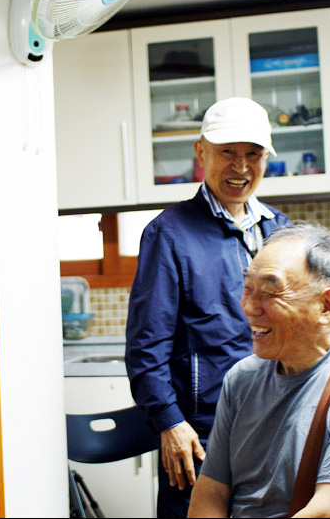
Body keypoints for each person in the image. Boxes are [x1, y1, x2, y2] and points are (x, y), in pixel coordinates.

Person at [125, 97, 291, 517]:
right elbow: (146, 346)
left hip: (276, 419)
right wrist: (169, 422)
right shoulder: (169, 233)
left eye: (253, 154)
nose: (241, 167)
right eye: (227, 152)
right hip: (200, 431)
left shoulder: (281, 230)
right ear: (201, 153)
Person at [187, 223, 330, 518]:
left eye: (270, 291)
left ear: (326, 305)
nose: (249, 307)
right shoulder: (241, 379)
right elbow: (211, 490)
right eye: (248, 289)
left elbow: (329, 511)